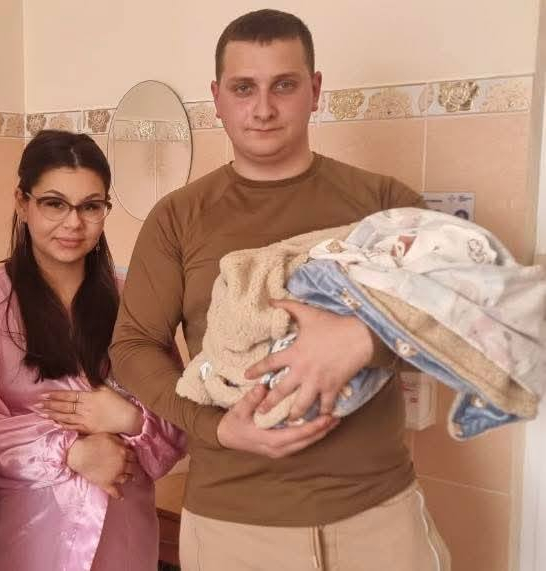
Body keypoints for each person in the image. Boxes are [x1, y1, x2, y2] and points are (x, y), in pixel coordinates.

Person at [110, 10, 451, 571]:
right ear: (217, 98)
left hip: (378, 516)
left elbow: (457, 315)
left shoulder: (384, 204)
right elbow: (132, 346)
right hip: (233, 526)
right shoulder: (177, 217)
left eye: (284, 85)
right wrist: (215, 427)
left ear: (314, 90)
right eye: (244, 88)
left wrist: (363, 340)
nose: (263, 108)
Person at [0, 129, 185, 571]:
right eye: (54, 204)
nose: (73, 224)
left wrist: (130, 419)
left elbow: (179, 421)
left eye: (90, 206)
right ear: (22, 203)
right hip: (27, 543)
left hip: (124, 538)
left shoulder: (134, 300)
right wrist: (70, 452)